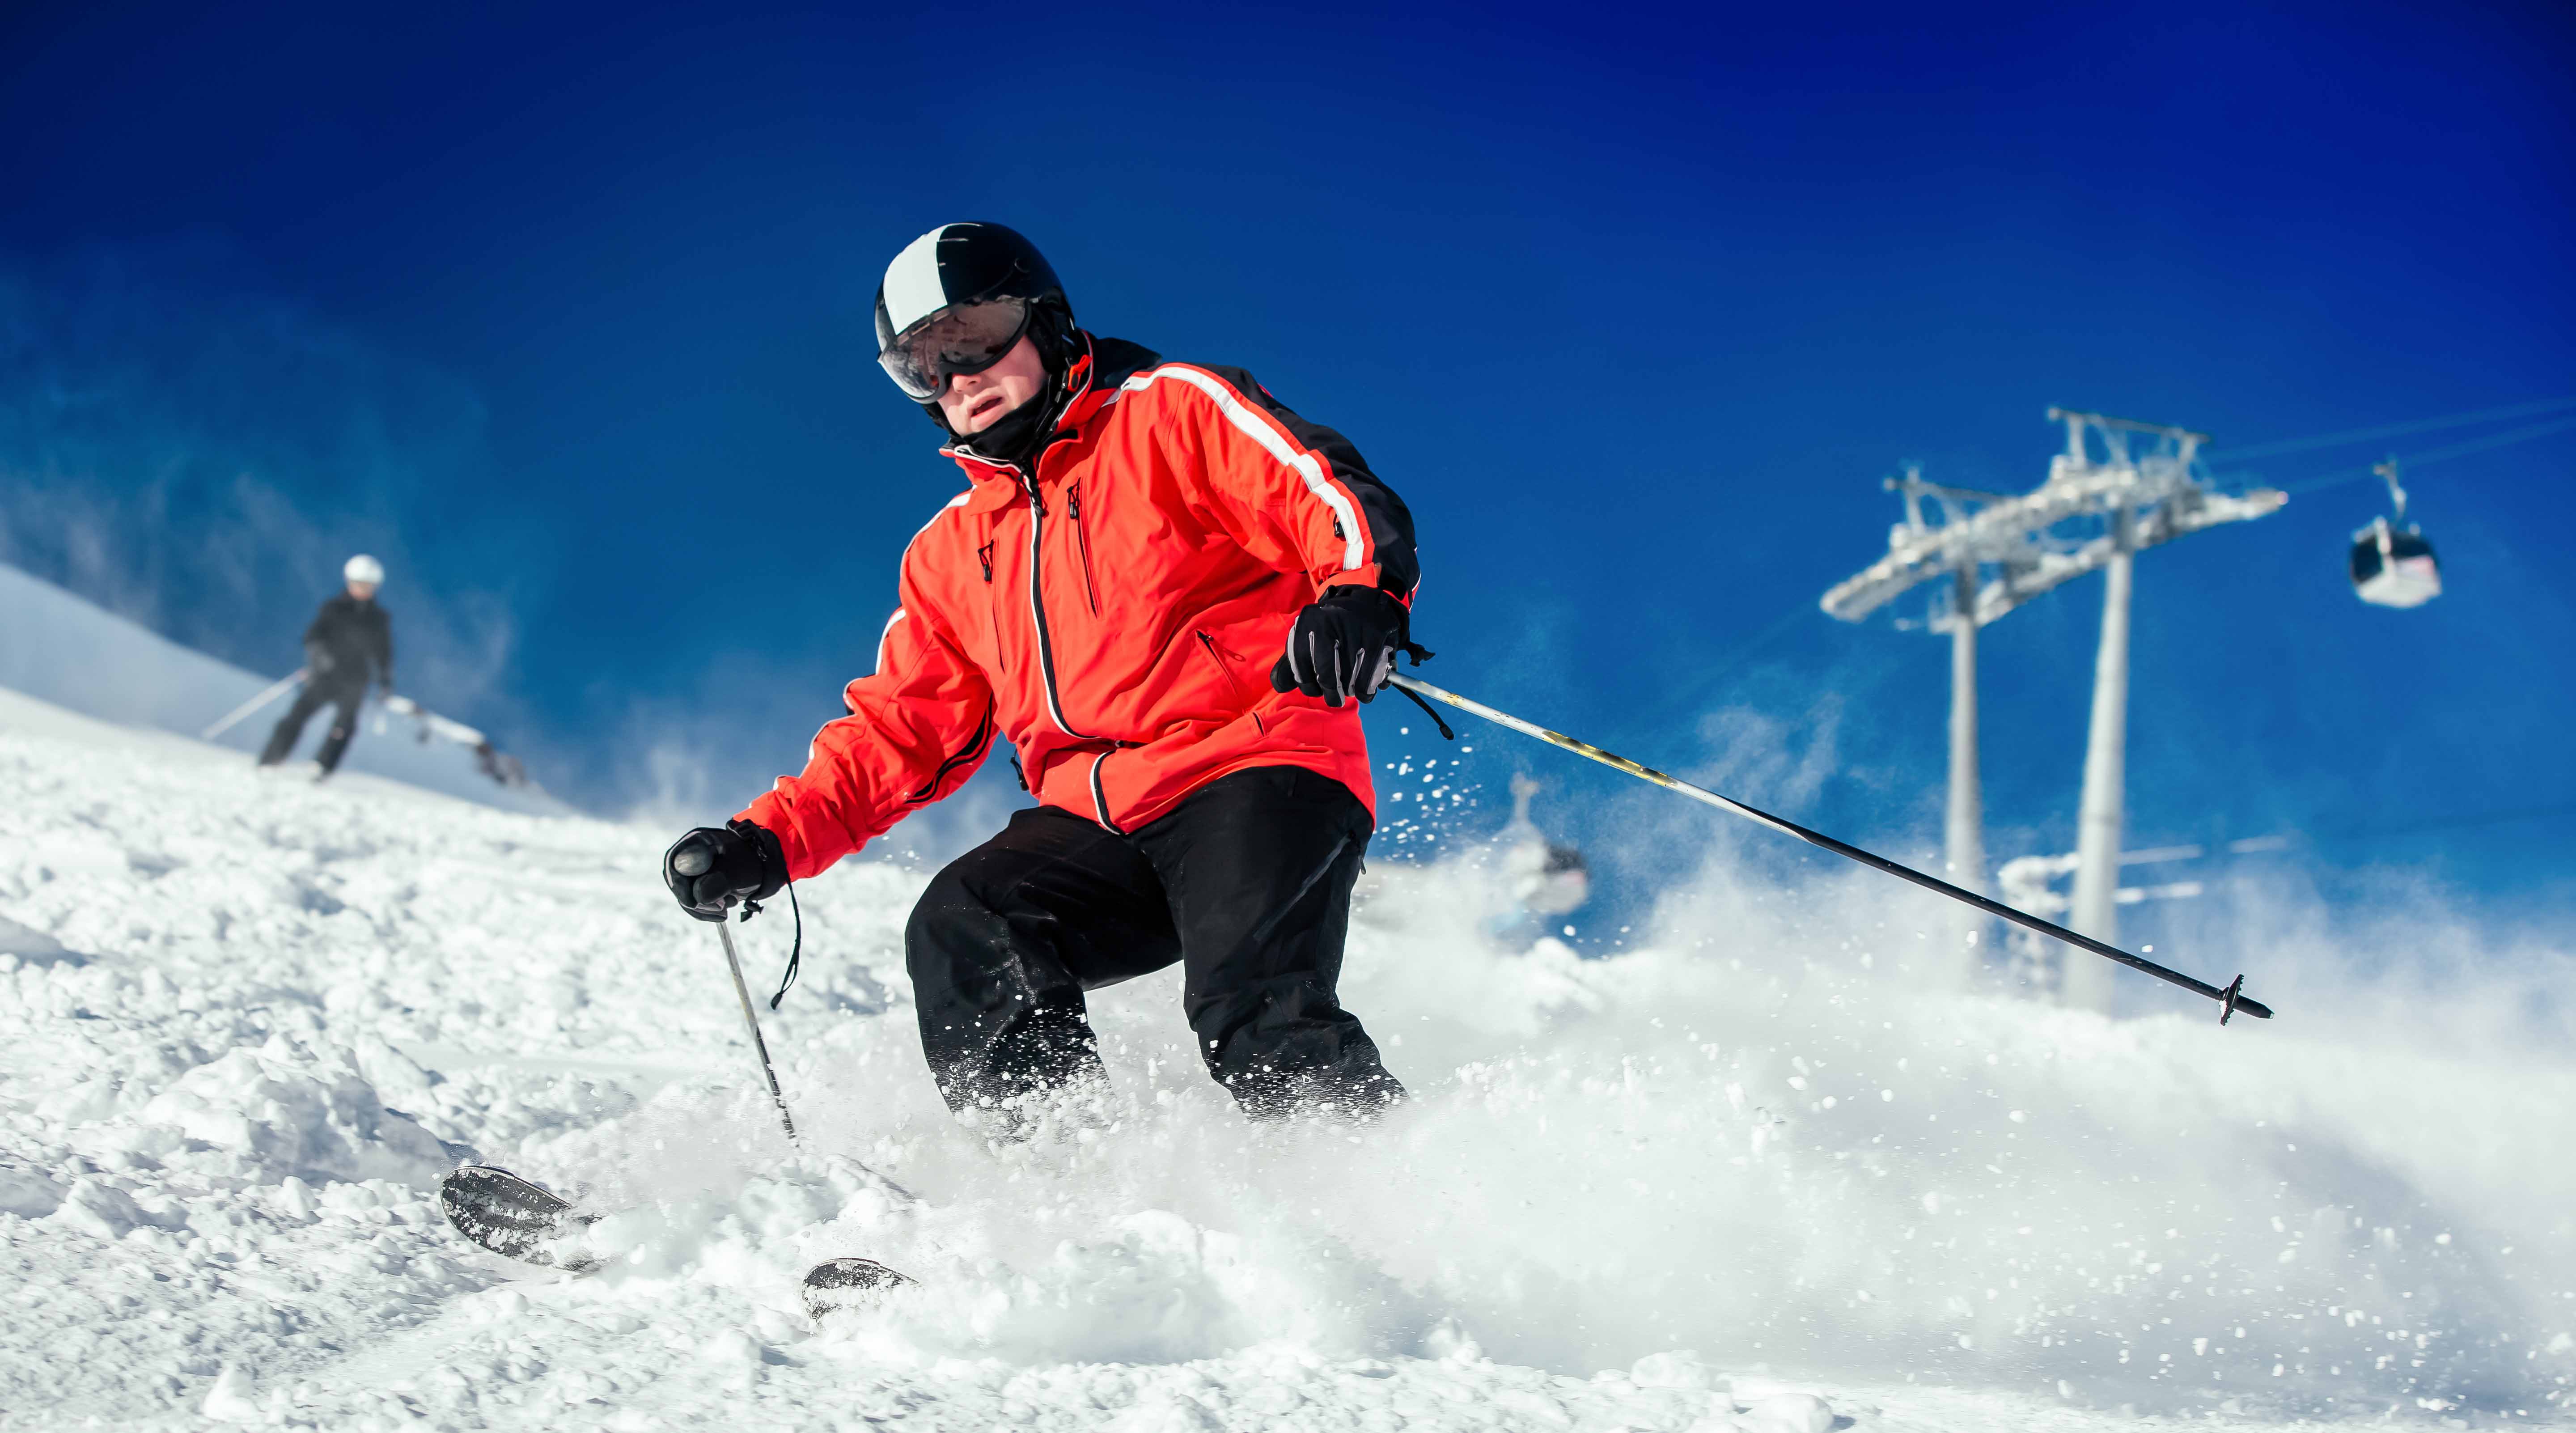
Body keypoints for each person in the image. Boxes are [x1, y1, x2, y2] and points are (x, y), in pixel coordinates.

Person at [663, 222, 1424, 1128]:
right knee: (968, 922)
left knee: (1255, 1012)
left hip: (1256, 771)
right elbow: (902, 731)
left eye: (975, 338)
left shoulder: (1167, 413)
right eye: (923, 366)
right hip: (1102, 819)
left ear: (1047, 320)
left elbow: (1318, 488)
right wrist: (769, 841)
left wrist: (1360, 595)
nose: (959, 379)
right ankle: (1060, 1183)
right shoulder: (952, 552)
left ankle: (1393, 1194)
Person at [258, 555, 394, 778]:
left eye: (368, 586)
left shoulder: (379, 619)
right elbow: (313, 636)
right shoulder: (334, 608)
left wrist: (385, 678)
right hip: (327, 673)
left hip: (356, 678)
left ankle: (323, 767)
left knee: (344, 725)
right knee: (297, 715)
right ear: (349, 582)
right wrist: (319, 657)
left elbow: (384, 651)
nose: (363, 590)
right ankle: (271, 760)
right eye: (359, 584)